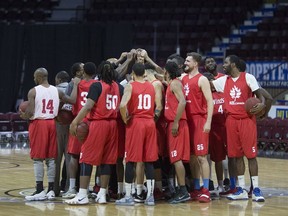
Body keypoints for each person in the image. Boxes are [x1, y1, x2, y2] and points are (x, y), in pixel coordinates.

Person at [65, 61, 123, 205]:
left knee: (86, 159)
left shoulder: (97, 85)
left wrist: (75, 122)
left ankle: (82, 194)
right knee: (107, 161)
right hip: (113, 125)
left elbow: (88, 106)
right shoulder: (118, 86)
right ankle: (102, 194)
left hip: (98, 124)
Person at [211, 55, 266, 202]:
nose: (223, 65)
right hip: (231, 120)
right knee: (236, 156)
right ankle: (241, 189)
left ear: (233, 64)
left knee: (251, 156)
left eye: (226, 63)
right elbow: (206, 84)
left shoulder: (248, 77)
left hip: (246, 120)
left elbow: (261, 96)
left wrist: (262, 104)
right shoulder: (223, 81)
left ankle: (256, 189)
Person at [20, 68, 78, 201]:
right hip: (52, 123)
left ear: (39, 77)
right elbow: (73, 100)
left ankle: (39, 189)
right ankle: (51, 190)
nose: (34, 79)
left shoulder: (33, 91)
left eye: (35, 77)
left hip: (39, 124)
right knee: (51, 158)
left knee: (38, 158)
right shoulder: (57, 91)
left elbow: (29, 113)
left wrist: (24, 115)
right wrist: (75, 85)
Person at [116, 63, 158, 206]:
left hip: (137, 123)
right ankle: (150, 197)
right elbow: (157, 106)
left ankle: (128, 196)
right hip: (150, 122)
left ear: (133, 73)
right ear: (144, 73)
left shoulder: (131, 85)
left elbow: (122, 105)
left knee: (131, 160)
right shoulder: (151, 86)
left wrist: (124, 118)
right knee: (149, 160)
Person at [182, 52, 214, 203]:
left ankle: (206, 189)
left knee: (202, 157)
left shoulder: (202, 79)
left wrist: (208, 122)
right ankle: (196, 188)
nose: (185, 62)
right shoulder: (182, 78)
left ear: (195, 63)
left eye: (188, 61)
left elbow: (210, 102)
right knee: (192, 158)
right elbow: (165, 75)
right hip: (187, 121)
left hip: (199, 120)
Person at [62, 62, 97, 199]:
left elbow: (72, 100)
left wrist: (76, 85)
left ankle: (72, 188)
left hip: (78, 121)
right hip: (91, 122)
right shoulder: (97, 84)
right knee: (88, 158)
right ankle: (87, 187)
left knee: (74, 156)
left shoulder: (76, 83)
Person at [164, 61, 190, 204]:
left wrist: (175, 122)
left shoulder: (174, 84)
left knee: (176, 158)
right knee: (176, 159)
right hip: (177, 123)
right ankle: (181, 190)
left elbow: (183, 102)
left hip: (177, 123)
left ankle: (183, 191)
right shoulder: (173, 83)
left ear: (167, 71)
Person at [204, 57, 230, 193]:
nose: (210, 63)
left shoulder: (224, 80)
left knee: (226, 156)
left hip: (224, 127)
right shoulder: (206, 93)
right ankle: (209, 182)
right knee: (209, 156)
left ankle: (228, 179)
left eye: (211, 61)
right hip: (211, 129)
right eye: (207, 62)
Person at [54, 71, 71, 196]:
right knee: (70, 158)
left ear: (59, 79)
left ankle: (54, 188)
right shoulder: (74, 87)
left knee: (57, 159)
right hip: (72, 123)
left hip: (58, 123)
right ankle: (69, 188)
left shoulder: (54, 90)